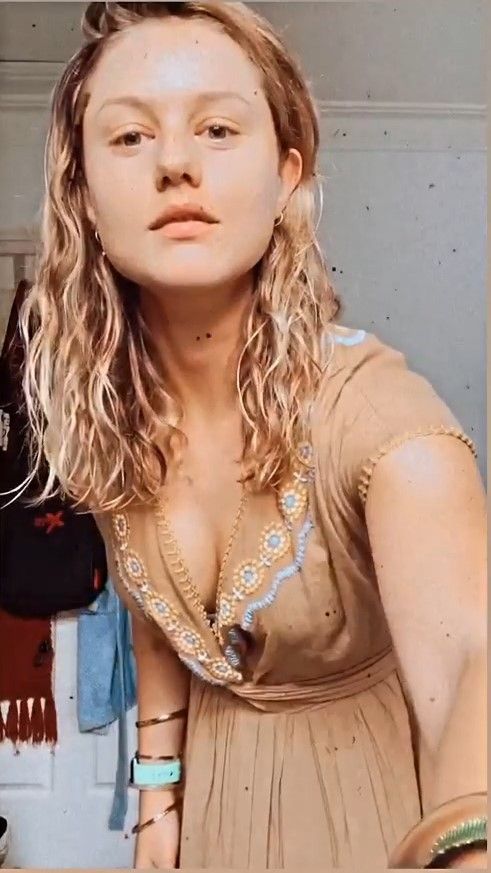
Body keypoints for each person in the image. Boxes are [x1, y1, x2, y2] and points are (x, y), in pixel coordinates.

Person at [18, 1, 486, 868]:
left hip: (370, 810)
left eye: (218, 129)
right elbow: (157, 620)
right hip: (214, 808)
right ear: (82, 196)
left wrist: (467, 845)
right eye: (130, 136)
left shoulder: (384, 422)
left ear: (285, 176)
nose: (174, 163)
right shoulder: (112, 419)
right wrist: (158, 805)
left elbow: (468, 666)